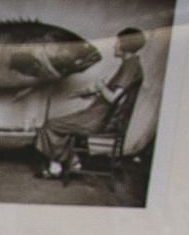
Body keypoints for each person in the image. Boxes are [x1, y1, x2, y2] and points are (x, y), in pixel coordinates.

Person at [37, 26, 148, 178]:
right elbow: (115, 95)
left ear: (125, 45)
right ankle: (72, 161)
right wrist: (93, 92)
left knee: (51, 124)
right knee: (63, 123)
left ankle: (57, 167)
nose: (114, 46)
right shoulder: (131, 65)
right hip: (100, 115)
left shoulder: (130, 67)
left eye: (117, 43)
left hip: (101, 120)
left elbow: (114, 99)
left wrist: (101, 87)